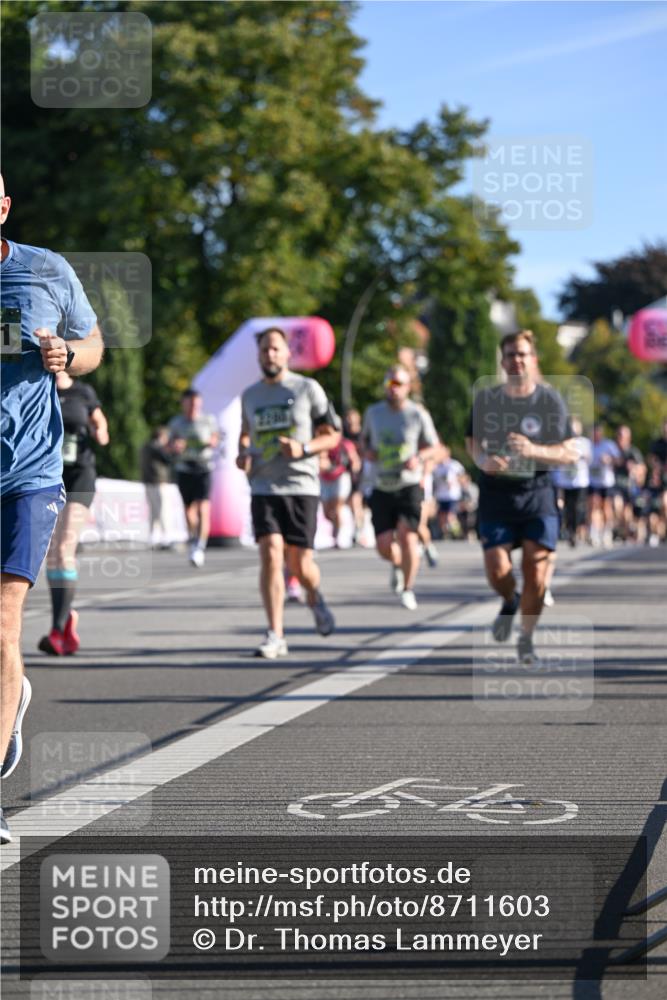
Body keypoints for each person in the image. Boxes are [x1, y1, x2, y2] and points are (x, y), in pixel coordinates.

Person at [0, 174, 103, 842]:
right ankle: (10, 702)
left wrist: (69, 353)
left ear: (3, 207)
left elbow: (93, 345)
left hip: (28, 472)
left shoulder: (45, 269)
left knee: (3, 619)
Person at [465, 330, 578, 663]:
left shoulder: (549, 401)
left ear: (533, 359)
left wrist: (534, 450)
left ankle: (526, 638)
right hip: (496, 496)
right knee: (497, 570)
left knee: (536, 572)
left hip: (537, 495)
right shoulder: (487, 399)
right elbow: (471, 440)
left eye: (522, 354)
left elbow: (569, 452)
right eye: (510, 355)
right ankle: (510, 600)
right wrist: (483, 461)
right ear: (502, 362)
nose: (516, 360)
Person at [237, 327, 340, 658]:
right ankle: (275, 634)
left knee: (300, 565)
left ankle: (315, 595)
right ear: (258, 356)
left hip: (301, 485)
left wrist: (304, 448)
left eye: (276, 349)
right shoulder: (250, 395)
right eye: (265, 350)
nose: (270, 354)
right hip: (264, 485)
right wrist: (242, 454)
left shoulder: (307, 388)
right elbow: (245, 435)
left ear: (287, 353)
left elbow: (333, 435)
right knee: (270, 552)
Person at [38, 372, 109, 654]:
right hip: (46, 475)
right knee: (52, 552)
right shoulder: (35, 385)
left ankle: (57, 631)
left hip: (79, 474)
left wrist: (100, 432)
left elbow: (100, 422)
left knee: (64, 546)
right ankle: (65, 617)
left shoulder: (83, 392)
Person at [361, 364, 439, 610]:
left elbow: (434, 446)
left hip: (409, 484)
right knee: (384, 546)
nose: (393, 388)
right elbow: (363, 441)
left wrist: (419, 457)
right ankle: (397, 563)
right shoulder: (373, 413)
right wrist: (367, 452)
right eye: (390, 383)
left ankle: (407, 588)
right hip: (382, 484)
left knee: (408, 537)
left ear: (408, 387)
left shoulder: (417, 414)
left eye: (399, 384)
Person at [168, 388, 219, 567]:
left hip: (203, 467)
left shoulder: (208, 420)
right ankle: (193, 538)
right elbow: (169, 445)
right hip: (184, 468)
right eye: (190, 404)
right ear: (183, 404)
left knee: (203, 507)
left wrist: (211, 442)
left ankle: (200, 546)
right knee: (189, 511)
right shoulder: (176, 423)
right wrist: (175, 446)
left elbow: (216, 438)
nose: (193, 408)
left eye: (196, 404)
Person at [551, 417, 591, 547]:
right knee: (565, 507)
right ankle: (567, 530)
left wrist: (579, 457)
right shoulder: (563, 441)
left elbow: (589, 458)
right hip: (565, 480)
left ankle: (575, 530)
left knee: (577, 507)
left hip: (579, 480)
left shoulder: (584, 442)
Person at [319, 431, 361, 548]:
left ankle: (337, 536)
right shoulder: (322, 443)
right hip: (325, 478)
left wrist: (354, 471)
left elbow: (355, 460)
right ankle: (335, 526)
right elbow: (320, 461)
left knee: (337, 508)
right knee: (327, 513)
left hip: (341, 477)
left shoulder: (345, 444)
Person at [141, 426, 174, 548]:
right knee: (162, 510)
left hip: (148, 482)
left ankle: (153, 537)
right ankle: (166, 537)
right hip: (158, 482)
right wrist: (171, 450)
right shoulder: (157, 447)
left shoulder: (145, 447)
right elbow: (168, 460)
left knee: (153, 511)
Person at [611, 425, 645, 543]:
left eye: (623, 436)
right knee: (617, 506)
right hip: (616, 486)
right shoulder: (613, 450)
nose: (621, 439)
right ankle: (623, 530)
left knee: (627, 513)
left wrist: (634, 469)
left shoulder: (633, 451)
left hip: (630, 487)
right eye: (619, 436)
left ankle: (627, 532)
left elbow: (642, 468)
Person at [588, 424, 618, 548]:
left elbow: (618, 460)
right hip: (592, 481)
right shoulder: (588, 445)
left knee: (606, 507)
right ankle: (594, 532)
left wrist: (608, 459)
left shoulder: (608, 445)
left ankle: (607, 532)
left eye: (597, 433)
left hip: (606, 481)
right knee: (593, 505)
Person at [343, 408, 367, 544]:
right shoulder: (345, 435)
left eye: (352, 419)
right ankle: (358, 525)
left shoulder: (362, 434)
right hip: (348, 473)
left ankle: (359, 529)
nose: (349, 422)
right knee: (353, 502)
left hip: (362, 471)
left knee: (356, 500)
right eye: (347, 419)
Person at [433, 443, 466, 540]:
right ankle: (445, 534)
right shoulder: (436, 466)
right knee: (442, 516)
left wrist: (454, 482)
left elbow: (464, 478)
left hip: (452, 495)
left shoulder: (454, 464)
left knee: (450, 516)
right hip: (440, 495)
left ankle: (457, 533)